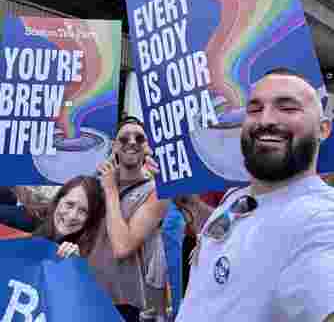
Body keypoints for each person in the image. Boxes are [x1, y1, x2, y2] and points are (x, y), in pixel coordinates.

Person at [175, 68, 334, 322]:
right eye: (255, 109)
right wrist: (192, 206)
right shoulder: (237, 198)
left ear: (323, 129)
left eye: (288, 108)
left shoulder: (320, 220)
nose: (266, 120)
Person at [88, 116, 170, 322]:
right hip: (88, 289)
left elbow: (122, 247)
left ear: (147, 147)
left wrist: (110, 190)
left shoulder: (157, 192)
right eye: (124, 139)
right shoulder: (94, 182)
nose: (132, 142)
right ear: (114, 146)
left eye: (139, 138)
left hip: (125, 302)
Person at [34, 175, 105, 258]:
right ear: (58, 200)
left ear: (90, 218)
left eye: (83, 211)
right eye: (69, 204)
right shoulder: (29, 220)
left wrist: (75, 263)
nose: (72, 216)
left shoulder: (88, 252)